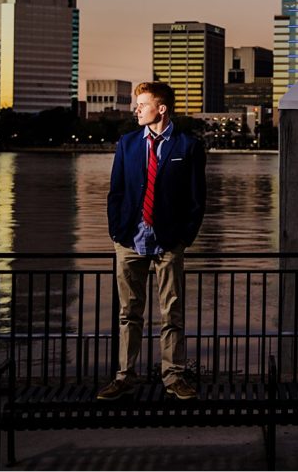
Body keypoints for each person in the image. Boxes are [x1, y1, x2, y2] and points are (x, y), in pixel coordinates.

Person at [98, 81, 206, 401]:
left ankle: (174, 377)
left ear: (161, 109)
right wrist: (118, 232)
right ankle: (124, 377)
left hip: (169, 243)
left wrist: (184, 238)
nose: (136, 110)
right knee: (128, 313)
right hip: (130, 240)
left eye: (142, 105)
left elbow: (197, 199)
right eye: (136, 105)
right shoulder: (128, 143)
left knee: (171, 314)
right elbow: (116, 192)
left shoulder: (188, 146)